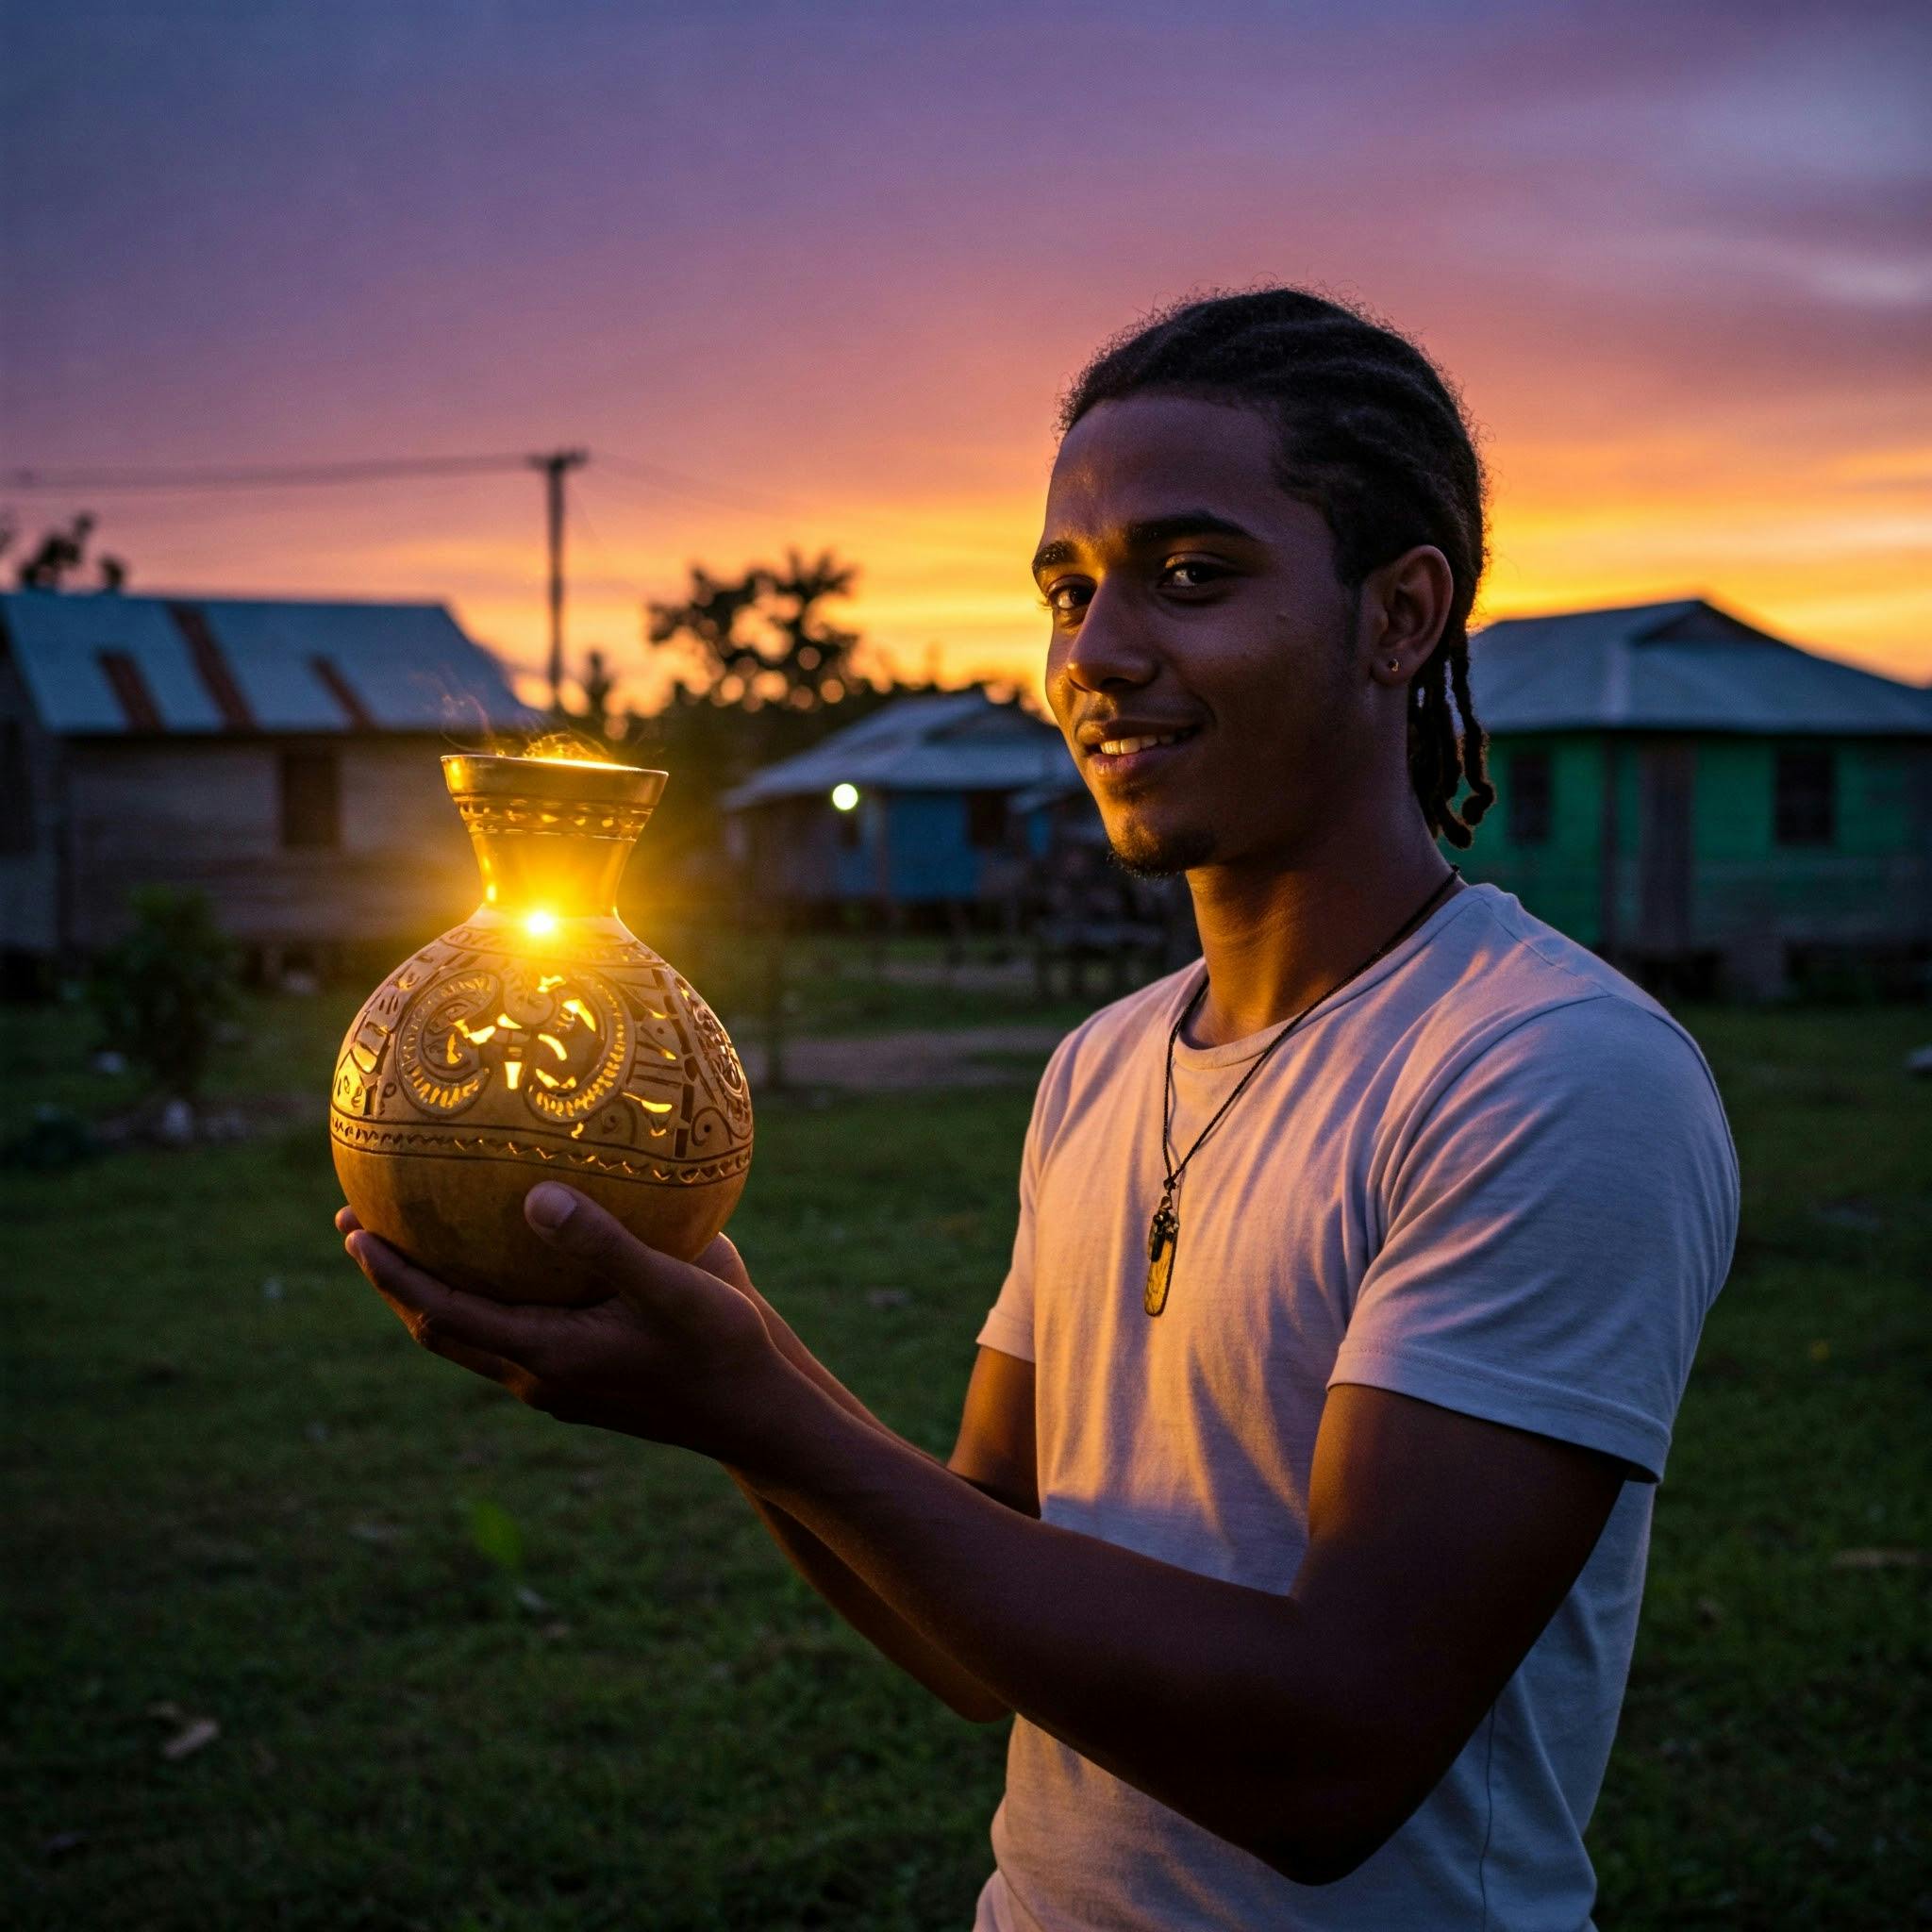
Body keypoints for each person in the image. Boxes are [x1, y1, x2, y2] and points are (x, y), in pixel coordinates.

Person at [340, 287, 1740, 1929]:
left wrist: (757, 1407)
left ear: (1399, 616)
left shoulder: (1546, 1071)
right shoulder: (1103, 1066)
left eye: (1191, 577)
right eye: (1067, 592)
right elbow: (967, 1627)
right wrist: (728, 1349)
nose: (1096, 656)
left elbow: (1333, 1755)